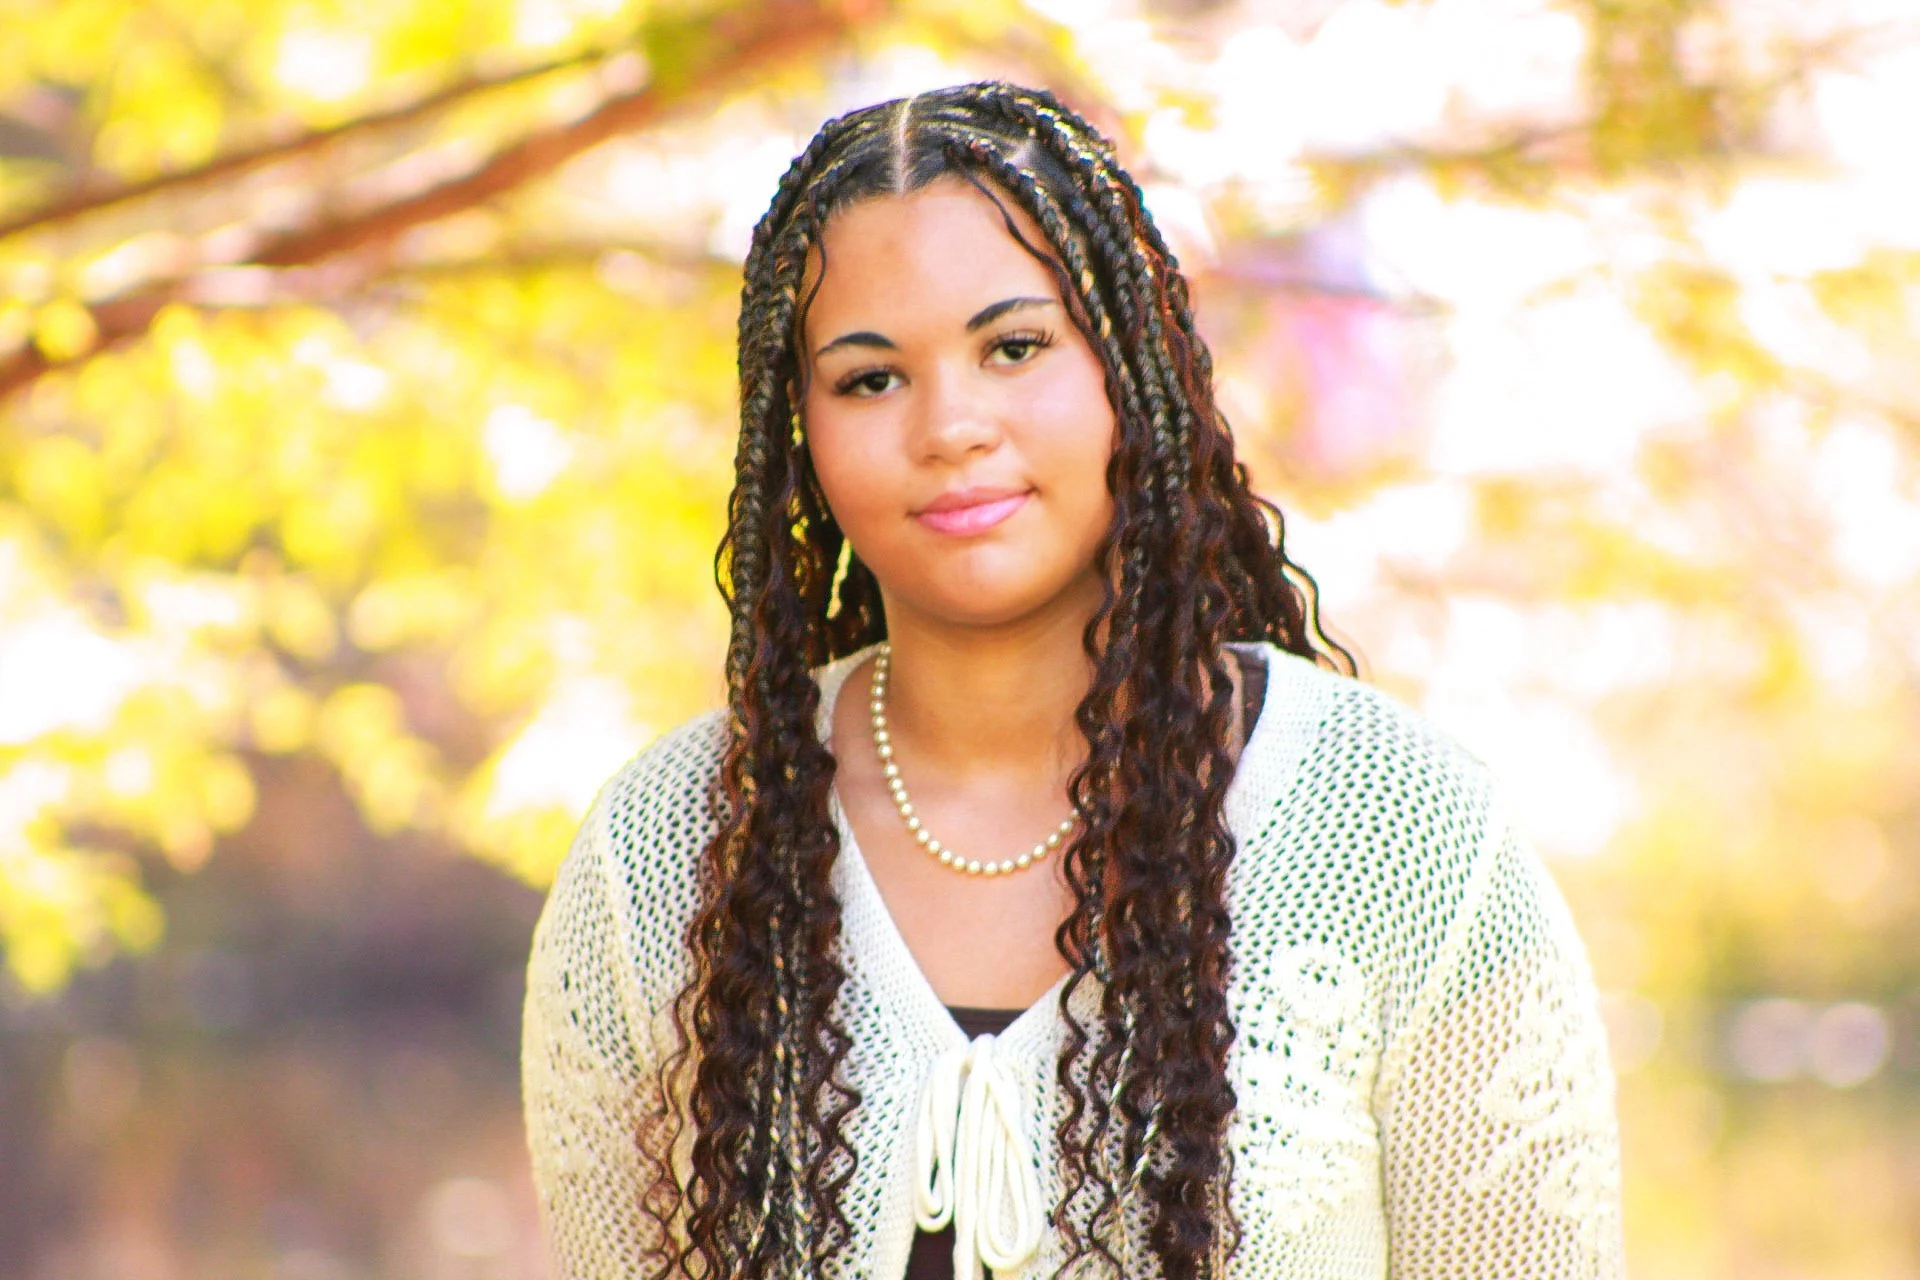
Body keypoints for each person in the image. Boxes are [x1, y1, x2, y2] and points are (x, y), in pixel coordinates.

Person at [521, 81, 1623, 1280]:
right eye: (870, 377)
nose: (951, 425)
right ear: (801, 431)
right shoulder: (663, 855)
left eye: (1015, 347)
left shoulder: (1402, 834)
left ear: (1128, 370)